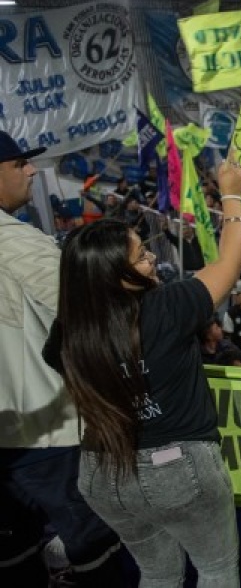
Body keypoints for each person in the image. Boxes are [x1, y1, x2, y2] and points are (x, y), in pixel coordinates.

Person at [42, 153, 241, 587]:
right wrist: (231, 194)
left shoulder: (69, 333)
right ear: (113, 277)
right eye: (139, 259)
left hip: (102, 475)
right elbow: (230, 263)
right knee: (216, 571)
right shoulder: (165, 308)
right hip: (179, 468)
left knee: (157, 573)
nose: (152, 259)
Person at [0, 130, 122, 585]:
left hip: (18, 441)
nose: (31, 170)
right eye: (19, 164)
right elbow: (91, 321)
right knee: (101, 557)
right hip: (50, 442)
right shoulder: (17, 242)